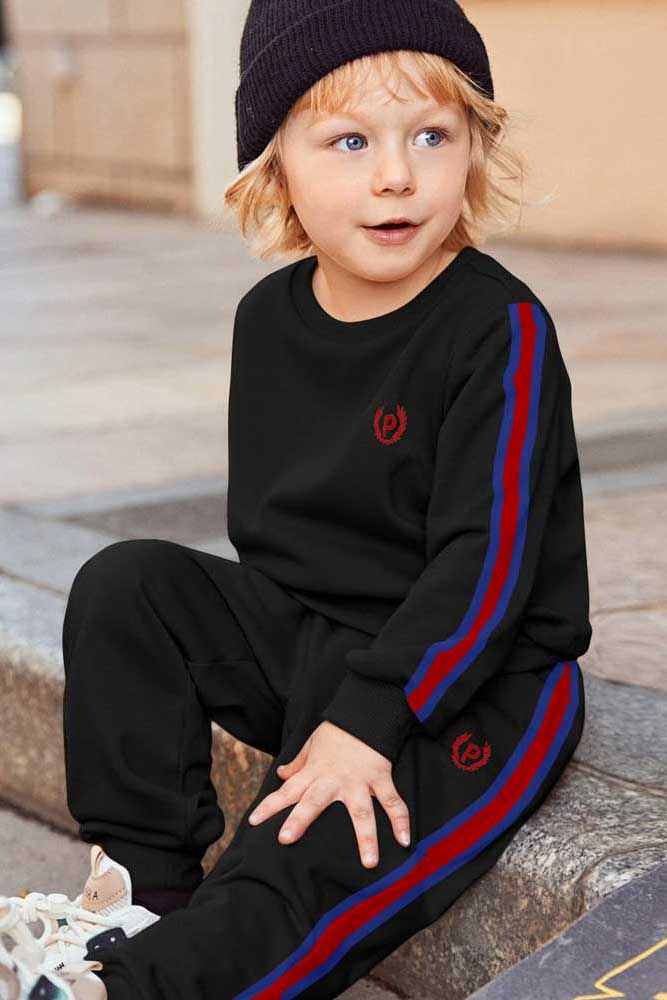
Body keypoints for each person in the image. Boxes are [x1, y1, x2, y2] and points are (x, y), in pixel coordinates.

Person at [0, 1, 592, 997]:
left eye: (431, 136)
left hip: (476, 684)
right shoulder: (267, 320)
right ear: (275, 166)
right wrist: (313, 692)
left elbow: (485, 571)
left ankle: (132, 988)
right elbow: (277, 545)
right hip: (321, 643)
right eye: (350, 141)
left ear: (474, 149)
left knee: (295, 861)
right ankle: (142, 896)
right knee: (125, 585)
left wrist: (364, 719)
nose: (395, 175)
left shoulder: (498, 328)